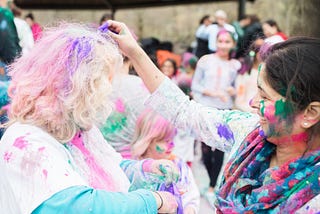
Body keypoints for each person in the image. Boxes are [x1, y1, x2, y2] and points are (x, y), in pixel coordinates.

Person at [107, 20, 320, 212]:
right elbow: (183, 111)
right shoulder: (249, 134)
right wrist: (134, 52)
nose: (252, 102)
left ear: (310, 113)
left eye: (265, 96)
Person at [0, 23, 180, 214]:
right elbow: (76, 206)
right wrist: (152, 201)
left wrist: (146, 168)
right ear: (76, 84)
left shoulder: (78, 126)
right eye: (104, 78)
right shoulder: (26, 142)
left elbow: (109, 167)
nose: (110, 89)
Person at [131, 108, 200, 214]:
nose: (172, 145)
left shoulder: (179, 166)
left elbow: (191, 196)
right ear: (148, 141)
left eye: (172, 139)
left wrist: (190, 209)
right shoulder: (133, 168)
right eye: (165, 141)